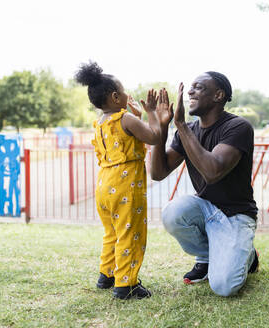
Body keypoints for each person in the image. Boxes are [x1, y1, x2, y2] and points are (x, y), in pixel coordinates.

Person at [151, 72, 259, 297]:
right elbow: (158, 173)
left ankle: (248, 256)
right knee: (173, 212)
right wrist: (161, 128)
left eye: (198, 87)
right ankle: (209, 256)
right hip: (205, 209)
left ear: (218, 95)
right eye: (190, 87)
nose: (189, 92)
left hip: (236, 215)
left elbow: (213, 171)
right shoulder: (188, 131)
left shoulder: (238, 127)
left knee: (224, 287)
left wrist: (180, 124)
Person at [75, 61, 162, 300]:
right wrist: (152, 113)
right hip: (126, 186)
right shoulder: (126, 119)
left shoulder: (101, 123)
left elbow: (127, 138)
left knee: (112, 231)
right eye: (123, 91)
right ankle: (126, 284)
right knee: (130, 232)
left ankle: (107, 274)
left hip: (104, 185)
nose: (127, 94)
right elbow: (154, 137)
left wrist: (139, 116)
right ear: (115, 97)